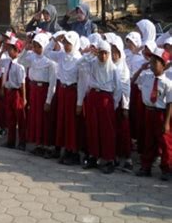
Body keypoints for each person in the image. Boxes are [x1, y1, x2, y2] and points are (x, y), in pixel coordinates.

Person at [79, 40, 122, 174]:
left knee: (107, 131)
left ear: (109, 54)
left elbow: (118, 89)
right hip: (93, 97)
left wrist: (112, 105)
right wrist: (90, 53)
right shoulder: (92, 64)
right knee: (92, 128)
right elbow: (80, 63)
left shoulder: (113, 69)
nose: (102, 56)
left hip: (106, 99)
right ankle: (93, 156)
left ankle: (109, 159)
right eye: (100, 53)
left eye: (105, 53)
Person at [45, 31, 83, 165]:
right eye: (65, 42)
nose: (66, 45)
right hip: (62, 91)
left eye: (69, 43)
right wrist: (54, 39)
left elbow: (82, 83)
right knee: (63, 121)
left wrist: (79, 102)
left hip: (73, 92)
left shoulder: (79, 60)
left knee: (72, 123)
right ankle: (65, 149)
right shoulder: (61, 55)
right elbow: (46, 52)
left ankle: (74, 152)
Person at [135, 48, 172, 181]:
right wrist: (141, 69)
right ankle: (146, 166)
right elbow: (133, 80)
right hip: (148, 112)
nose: (151, 64)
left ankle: (166, 168)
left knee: (165, 142)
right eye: (151, 61)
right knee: (148, 140)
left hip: (161, 114)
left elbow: (169, 104)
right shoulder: (146, 77)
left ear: (164, 65)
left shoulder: (168, 83)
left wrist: (167, 122)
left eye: (155, 62)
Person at [18, 33, 57, 156]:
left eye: (39, 46)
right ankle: (38, 144)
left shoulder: (51, 62)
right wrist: (26, 46)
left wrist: (48, 100)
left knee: (45, 119)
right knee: (35, 117)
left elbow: (52, 83)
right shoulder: (32, 57)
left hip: (44, 91)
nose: (36, 48)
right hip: (34, 90)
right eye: (35, 45)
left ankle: (47, 145)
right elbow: (20, 60)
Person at [109, 36, 133, 172]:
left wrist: (125, 106)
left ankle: (128, 159)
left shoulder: (123, 67)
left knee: (124, 131)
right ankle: (115, 156)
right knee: (114, 131)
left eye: (115, 51)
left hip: (121, 104)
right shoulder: (110, 66)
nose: (113, 54)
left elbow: (125, 88)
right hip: (112, 103)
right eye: (111, 51)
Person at [1, 35, 27, 150]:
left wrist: (24, 98)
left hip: (17, 93)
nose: (8, 50)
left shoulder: (19, 66)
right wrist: (3, 88)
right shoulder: (7, 62)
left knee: (20, 118)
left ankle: (22, 142)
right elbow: (4, 75)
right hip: (9, 92)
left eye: (11, 48)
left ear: (17, 50)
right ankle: (10, 140)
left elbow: (22, 83)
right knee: (10, 117)